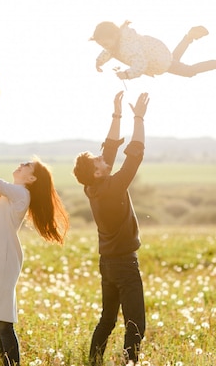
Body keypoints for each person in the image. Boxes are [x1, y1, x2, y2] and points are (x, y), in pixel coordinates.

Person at [0, 124, 70, 366]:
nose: (22, 163)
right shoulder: (5, 192)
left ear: (32, 179)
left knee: (1, 322)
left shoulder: (20, 195)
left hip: (2, 261)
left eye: (27, 165)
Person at [73, 91, 149, 366]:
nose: (105, 161)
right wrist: (138, 118)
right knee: (135, 324)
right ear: (97, 172)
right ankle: (130, 364)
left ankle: (93, 362)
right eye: (100, 163)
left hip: (107, 263)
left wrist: (116, 114)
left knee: (107, 320)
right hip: (125, 265)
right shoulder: (113, 187)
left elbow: (111, 148)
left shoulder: (92, 187)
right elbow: (135, 153)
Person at [91, 20, 216, 80]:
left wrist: (127, 74)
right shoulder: (115, 44)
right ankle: (188, 37)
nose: (105, 47)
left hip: (158, 60)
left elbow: (140, 64)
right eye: (102, 45)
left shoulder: (128, 47)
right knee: (173, 60)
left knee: (189, 71)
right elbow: (108, 52)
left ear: (115, 35)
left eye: (105, 43)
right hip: (159, 55)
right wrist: (99, 62)